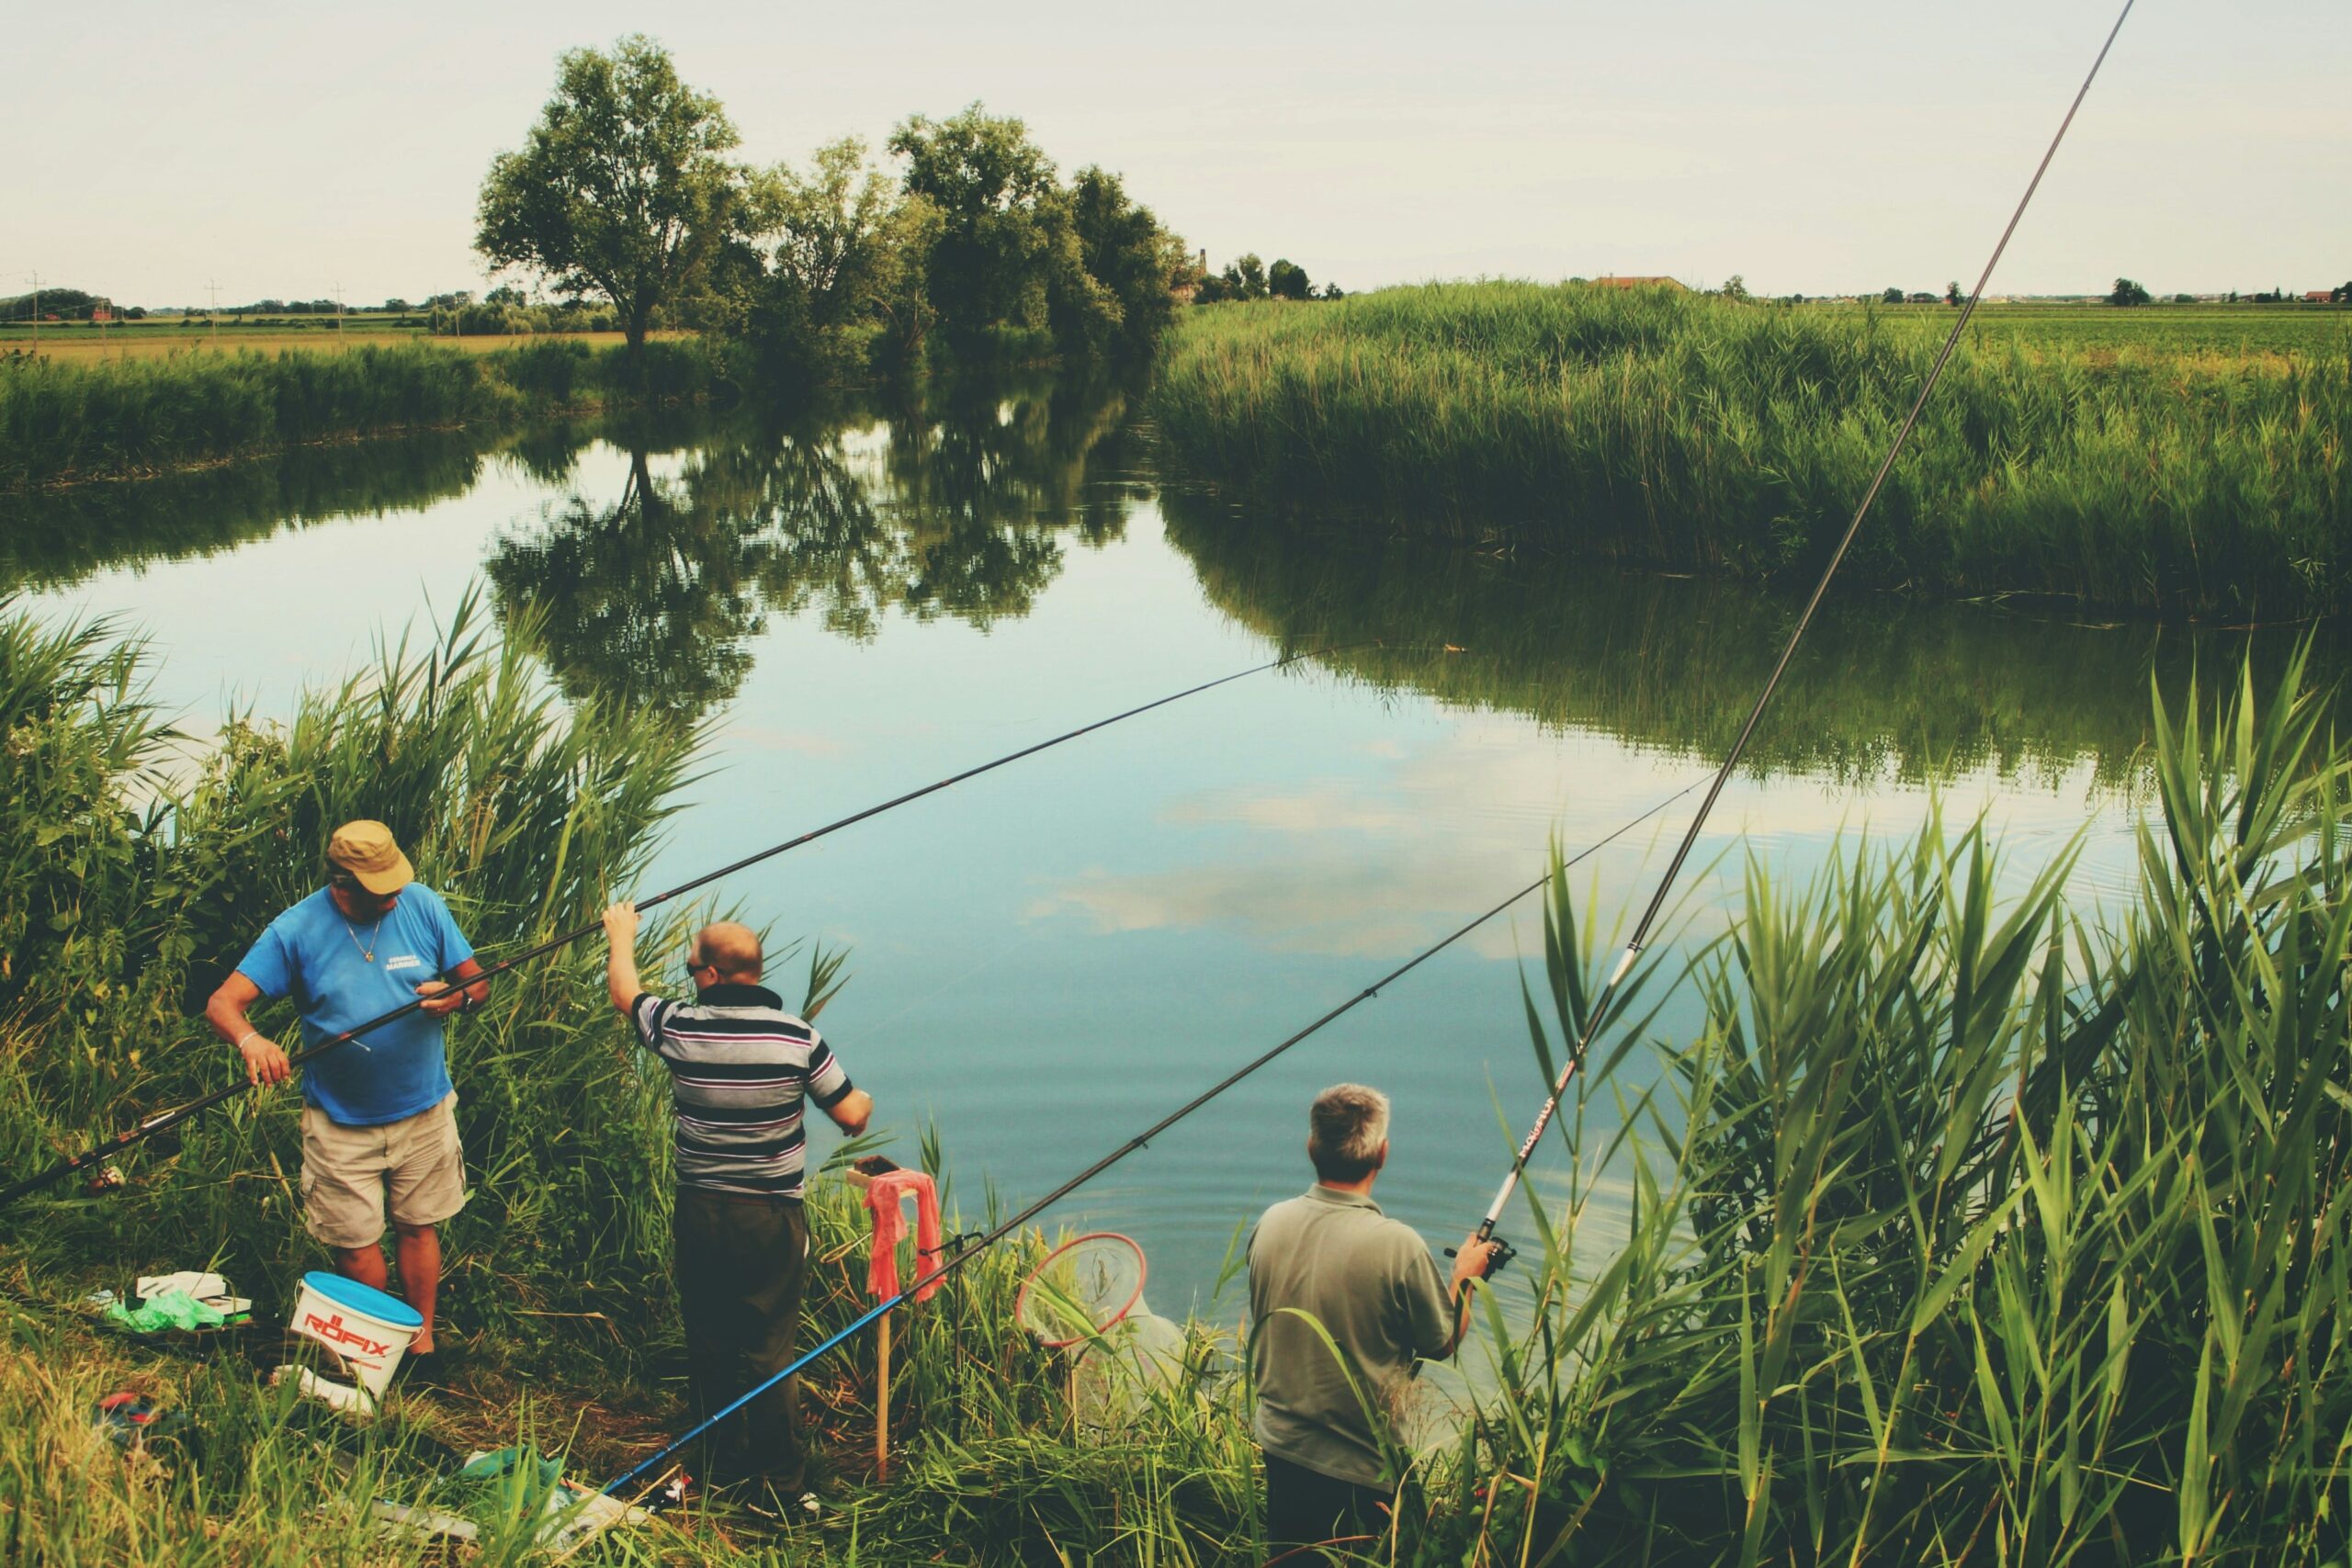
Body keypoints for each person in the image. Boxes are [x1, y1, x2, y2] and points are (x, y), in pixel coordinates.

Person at [602, 899, 873, 1518]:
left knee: (710, 1339)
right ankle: (782, 1482)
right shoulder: (798, 1037)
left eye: (693, 966)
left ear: (713, 974)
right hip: (771, 1216)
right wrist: (866, 1101)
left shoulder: (678, 1027)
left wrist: (622, 933)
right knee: (769, 1345)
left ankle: (719, 1464)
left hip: (701, 1211)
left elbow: (625, 992)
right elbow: (852, 1115)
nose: (690, 976)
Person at [205, 820, 486, 1359]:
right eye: (381, 889)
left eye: (396, 881)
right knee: (356, 1245)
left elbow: (477, 983)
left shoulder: (422, 904)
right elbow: (223, 1003)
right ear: (342, 883)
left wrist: (459, 998)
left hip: (424, 1108)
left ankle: (420, 1343)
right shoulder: (295, 929)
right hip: (339, 1119)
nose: (394, 896)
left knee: (418, 1226)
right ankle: (369, 1349)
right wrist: (252, 1041)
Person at [1248, 1083, 1498, 1561]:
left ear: (1311, 1147)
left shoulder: (1270, 1223)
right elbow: (1442, 1340)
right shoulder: (1396, 1245)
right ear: (1382, 1154)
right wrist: (1464, 1278)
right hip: (1361, 1466)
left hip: (1280, 1447)